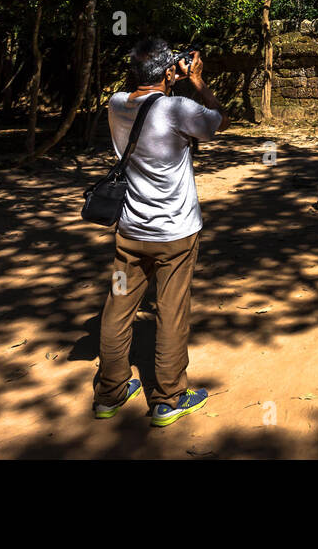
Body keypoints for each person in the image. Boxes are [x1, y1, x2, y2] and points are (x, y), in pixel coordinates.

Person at [92, 38, 229, 427]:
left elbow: (144, 94)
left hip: (130, 228)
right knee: (171, 311)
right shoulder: (178, 107)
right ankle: (168, 398)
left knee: (118, 308)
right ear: (170, 72)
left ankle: (111, 392)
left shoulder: (117, 103)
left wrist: (168, 74)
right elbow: (220, 121)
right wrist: (198, 80)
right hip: (176, 232)